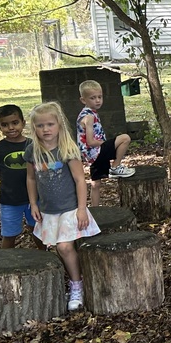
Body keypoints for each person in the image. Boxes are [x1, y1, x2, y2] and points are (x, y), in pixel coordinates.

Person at [26, 102, 101, 312]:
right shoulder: (32, 151)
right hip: (49, 210)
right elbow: (31, 179)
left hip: (70, 208)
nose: (45, 129)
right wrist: (33, 203)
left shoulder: (67, 149)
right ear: (34, 128)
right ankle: (75, 278)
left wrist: (81, 208)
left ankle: (77, 285)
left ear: (59, 124)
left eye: (50, 124)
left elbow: (80, 180)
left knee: (64, 247)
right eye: (40, 126)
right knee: (60, 248)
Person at [0, 104, 44, 250]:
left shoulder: (33, 145)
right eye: (5, 125)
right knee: (9, 234)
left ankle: (46, 256)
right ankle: (5, 263)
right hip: (10, 199)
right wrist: (8, 182)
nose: (11, 128)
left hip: (34, 197)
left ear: (23, 123)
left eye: (15, 123)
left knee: (37, 229)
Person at [76, 79, 134, 207]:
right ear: (83, 100)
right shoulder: (89, 117)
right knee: (125, 138)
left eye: (99, 97)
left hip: (91, 156)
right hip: (96, 151)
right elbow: (91, 141)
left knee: (95, 184)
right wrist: (104, 143)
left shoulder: (87, 113)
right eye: (92, 98)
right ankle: (115, 167)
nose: (97, 100)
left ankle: (95, 210)